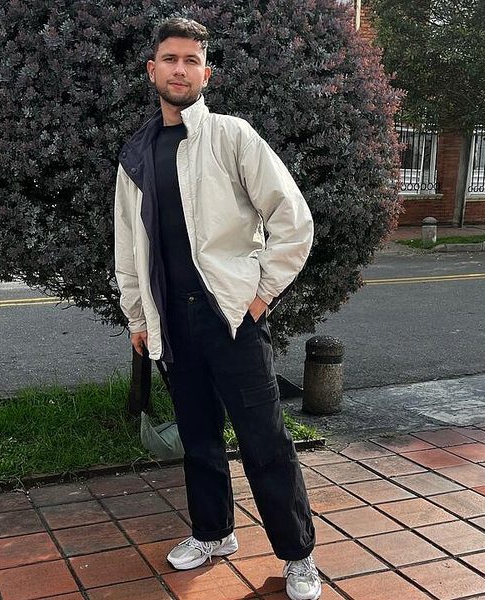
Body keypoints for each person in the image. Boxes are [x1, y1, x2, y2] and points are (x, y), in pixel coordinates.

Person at [113, 17, 320, 600]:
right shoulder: (136, 156)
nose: (180, 69)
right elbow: (127, 245)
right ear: (151, 70)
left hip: (231, 318)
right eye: (170, 59)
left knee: (265, 441)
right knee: (198, 438)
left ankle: (298, 555)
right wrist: (138, 317)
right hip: (171, 323)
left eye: (191, 60)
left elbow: (293, 220)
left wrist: (260, 296)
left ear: (208, 73)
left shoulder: (232, 136)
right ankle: (213, 533)